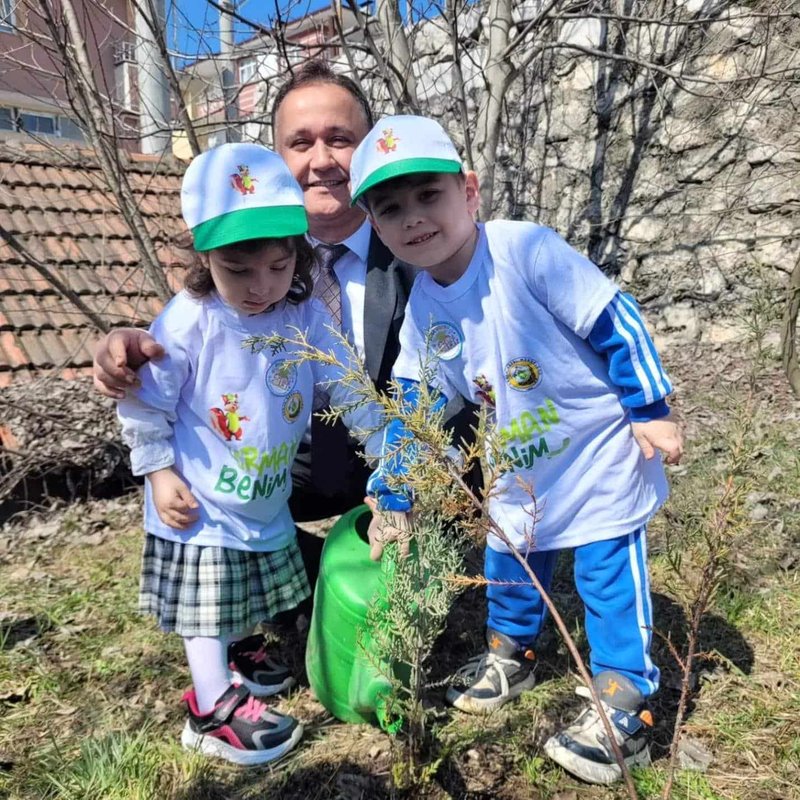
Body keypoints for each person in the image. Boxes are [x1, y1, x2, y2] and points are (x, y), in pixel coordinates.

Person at [353, 115, 683, 785]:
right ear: (377, 230)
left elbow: (612, 317)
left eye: (428, 196)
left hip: (593, 451)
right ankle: (513, 654)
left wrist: (648, 407)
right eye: (391, 209)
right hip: (520, 464)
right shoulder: (422, 308)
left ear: (468, 192)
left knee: (605, 572)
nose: (414, 218)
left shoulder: (524, 250)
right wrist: (395, 490)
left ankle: (629, 701)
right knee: (508, 561)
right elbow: (414, 405)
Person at [93, 62, 473, 596]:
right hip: (277, 472)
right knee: (193, 480)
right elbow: (191, 351)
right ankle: (291, 590)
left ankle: (419, 568)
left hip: (390, 463)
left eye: (340, 139)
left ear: (368, 151)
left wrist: (410, 471)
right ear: (275, 161)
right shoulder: (236, 258)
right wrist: (126, 348)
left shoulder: (422, 248)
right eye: (300, 143)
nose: (321, 161)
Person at [116, 142, 383, 766]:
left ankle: (236, 659)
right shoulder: (190, 322)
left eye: (277, 265)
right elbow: (145, 403)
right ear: (204, 257)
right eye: (239, 270)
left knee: (245, 583)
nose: (262, 286)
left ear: (297, 255)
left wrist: (386, 444)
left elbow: (346, 382)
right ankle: (211, 708)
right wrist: (156, 473)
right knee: (206, 600)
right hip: (199, 496)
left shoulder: (304, 317)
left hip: (262, 493)